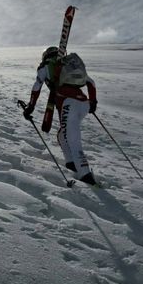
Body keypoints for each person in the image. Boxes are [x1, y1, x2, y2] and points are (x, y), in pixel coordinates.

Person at [22, 46, 98, 185]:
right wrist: (93, 102)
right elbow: (91, 82)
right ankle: (71, 164)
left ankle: (86, 176)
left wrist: (30, 107)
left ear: (45, 56)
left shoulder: (46, 66)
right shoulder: (68, 64)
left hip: (68, 103)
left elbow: (37, 86)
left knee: (73, 140)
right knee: (63, 135)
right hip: (83, 103)